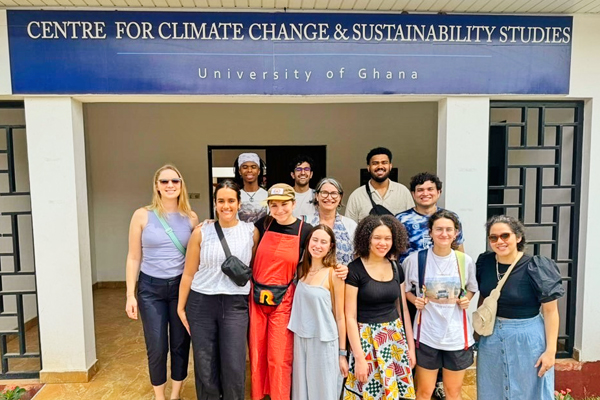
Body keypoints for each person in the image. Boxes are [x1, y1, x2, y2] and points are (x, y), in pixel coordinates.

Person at [249, 183, 347, 400]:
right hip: (256, 299)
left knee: (279, 358)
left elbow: (318, 256)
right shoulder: (263, 224)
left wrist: (339, 268)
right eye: (274, 205)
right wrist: (212, 224)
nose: (279, 209)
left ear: (294, 204)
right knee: (257, 355)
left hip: (284, 301)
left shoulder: (306, 231)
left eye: (284, 204)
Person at [177, 180, 259, 400]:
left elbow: (254, 269)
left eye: (231, 200)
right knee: (205, 365)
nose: (226, 206)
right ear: (215, 203)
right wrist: (180, 307)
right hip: (202, 303)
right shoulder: (202, 232)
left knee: (234, 364)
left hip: (235, 305)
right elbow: (188, 272)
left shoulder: (251, 233)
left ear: (239, 203)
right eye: (221, 201)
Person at [124, 164, 199, 400]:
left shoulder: (191, 217)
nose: (170, 186)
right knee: (156, 346)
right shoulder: (141, 215)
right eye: (164, 181)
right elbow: (134, 256)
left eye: (174, 181)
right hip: (150, 289)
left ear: (181, 184)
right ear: (156, 186)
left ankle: (175, 394)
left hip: (180, 288)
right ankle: (159, 395)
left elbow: (195, 257)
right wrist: (130, 294)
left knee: (180, 343)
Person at [476, 215, 563, 400]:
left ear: (518, 237)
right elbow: (484, 299)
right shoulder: (485, 263)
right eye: (493, 237)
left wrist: (550, 351)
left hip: (528, 338)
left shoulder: (536, 266)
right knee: (492, 389)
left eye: (505, 236)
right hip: (490, 338)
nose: (499, 241)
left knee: (529, 390)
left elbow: (551, 311)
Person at [396, 172, 465, 400]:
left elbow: (460, 255)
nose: (425, 194)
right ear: (413, 194)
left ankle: (437, 387)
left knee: (442, 338)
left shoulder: (449, 219)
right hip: (412, 293)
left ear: (438, 192)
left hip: (444, 296)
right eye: (420, 190)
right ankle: (417, 389)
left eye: (430, 189)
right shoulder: (401, 220)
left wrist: (462, 290)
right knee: (417, 344)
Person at [403, 210, 478, 400]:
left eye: (448, 230)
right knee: (424, 392)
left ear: (455, 233)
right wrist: (415, 300)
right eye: (439, 229)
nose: (444, 234)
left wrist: (466, 299)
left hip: (456, 335)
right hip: (427, 334)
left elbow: (471, 288)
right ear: (430, 232)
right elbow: (404, 291)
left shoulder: (464, 260)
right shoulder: (416, 260)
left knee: (453, 392)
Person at [343, 215, 416, 400]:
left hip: (394, 339)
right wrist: (359, 357)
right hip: (366, 341)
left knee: (393, 394)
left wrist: (410, 347)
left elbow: (403, 310)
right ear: (366, 238)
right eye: (377, 237)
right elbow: (349, 316)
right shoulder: (354, 270)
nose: (382, 243)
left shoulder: (396, 267)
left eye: (387, 238)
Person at [288, 224, 348, 400]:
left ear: (330, 246)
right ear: (308, 242)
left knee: (323, 392)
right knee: (302, 392)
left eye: (324, 242)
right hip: (301, 338)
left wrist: (342, 354)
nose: (318, 245)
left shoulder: (335, 274)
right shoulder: (301, 270)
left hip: (324, 341)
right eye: (315, 240)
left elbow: (340, 316)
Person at [346, 147, 414, 223]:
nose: (380, 166)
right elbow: (350, 230)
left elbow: (411, 223)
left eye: (384, 162)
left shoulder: (403, 192)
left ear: (390, 166)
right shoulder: (356, 196)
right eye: (375, 163)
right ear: (368, 167)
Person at [305, 177, 357, 265]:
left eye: (334, 193)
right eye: (324, 193)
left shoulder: (350, 225)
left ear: (340, 197)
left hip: (342, 277)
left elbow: (357, 256)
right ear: (317, 196)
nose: (329, 197)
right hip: (312, 276)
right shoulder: (305, 222)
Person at [234, 152, 268, 223]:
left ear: (259, 171)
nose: (249, 170)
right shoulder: (235, 195)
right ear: (240, 171)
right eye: (245, 167)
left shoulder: (267, 195)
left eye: (253, 167)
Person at [290, 154, 316, 219]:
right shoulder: (286, 195)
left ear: (311, 174)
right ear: (293, 175)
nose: (303, 173)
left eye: (306, 169)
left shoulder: (318, 196)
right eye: (298, 169)